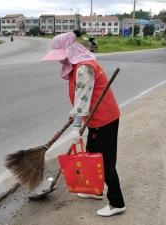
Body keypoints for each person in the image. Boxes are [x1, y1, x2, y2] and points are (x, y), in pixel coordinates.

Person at [41, 31, 125, 217]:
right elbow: (81, 98)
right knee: (92, 152)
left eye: (61, 56)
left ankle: (117, 202)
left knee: (105, 161)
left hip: (104, 119)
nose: (59, 60)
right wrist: (77, 120)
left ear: (70, 51)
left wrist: (76, 126)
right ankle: (96, 190)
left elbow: (83, 99)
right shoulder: (78, 65)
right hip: (95, 118)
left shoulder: (84, 68)